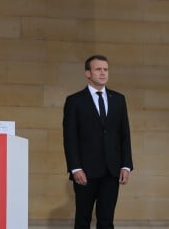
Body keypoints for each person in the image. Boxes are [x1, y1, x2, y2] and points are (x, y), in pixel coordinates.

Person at [63, 54, 133, 229]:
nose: (103, 73)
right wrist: (75, 167)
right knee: (82, 219)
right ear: (88, 73)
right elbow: (70, 138)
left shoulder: (118, 99)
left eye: (106, 69)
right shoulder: (74, 101)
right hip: (85, 172)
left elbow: (124, 134)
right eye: (98, 69)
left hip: (112, 170)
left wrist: (126, 165)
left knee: (106, 220)